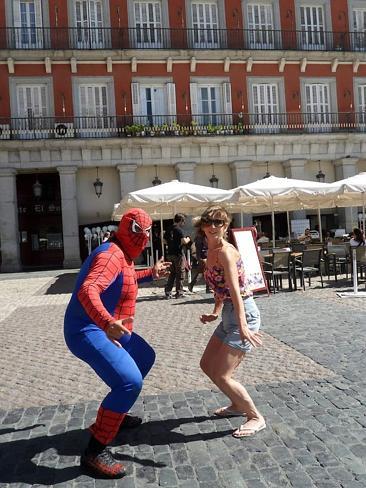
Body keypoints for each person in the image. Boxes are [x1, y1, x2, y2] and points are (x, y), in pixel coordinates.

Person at [64, 208, 170, 479]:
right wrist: (107, 321)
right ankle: (94, 451)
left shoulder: (121, 253)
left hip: (104, 325)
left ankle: (117, 412)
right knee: (129, 381)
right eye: (139, 231)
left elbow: (124, 277)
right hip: (87, 328)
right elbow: (88, 289)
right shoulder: (111, 253)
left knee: (144, 357)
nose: (144, 238)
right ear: (126, 229)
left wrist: (150, 273)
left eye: (147, 232)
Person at [197, 205, 265, 438]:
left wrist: (243, 325)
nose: (213, 227)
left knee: (223, 375)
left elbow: (235, 291)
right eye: (209, 222)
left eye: (219, 222)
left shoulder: (226, 251)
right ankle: (237, 405)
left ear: (225, 226)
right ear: (203, 226)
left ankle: (255, 417)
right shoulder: (210, 251)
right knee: (207, 365)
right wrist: (215, 312)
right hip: (228, 314)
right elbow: (220, 289)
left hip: (242, 312)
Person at [164, 213, 191, 298]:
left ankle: (168, 291)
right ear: (181, 221)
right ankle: (179, 292)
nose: (184, 224)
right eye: (183, 222)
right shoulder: (179, 230)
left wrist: (170, 242)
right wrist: (188, 238)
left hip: (169, 253)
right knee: (180, 273)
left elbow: (164, 241)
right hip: (178, 253)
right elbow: (184, 241)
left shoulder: (168, 229)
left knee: (172, 273)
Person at [188, 228, 210, 293]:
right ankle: (208, 288)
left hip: (205, 256)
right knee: (206, 272)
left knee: (202, 272)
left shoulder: (202, 237)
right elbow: (198, 249)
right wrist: (199, 258)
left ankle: (191, 285)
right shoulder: (200, 238)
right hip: (203, 257)